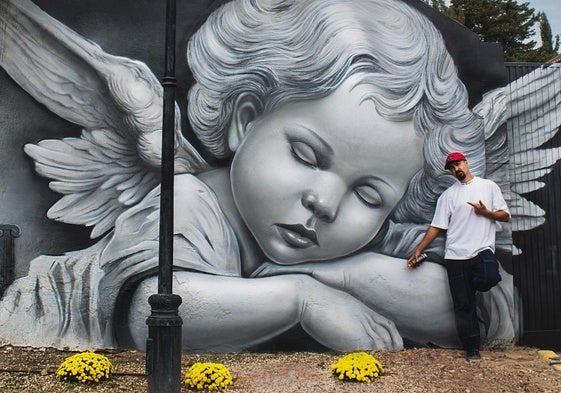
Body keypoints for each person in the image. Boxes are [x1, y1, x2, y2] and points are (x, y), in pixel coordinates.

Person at [0, 0, 517, 352]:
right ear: (246, 119)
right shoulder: (189, 200)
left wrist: (341, 273)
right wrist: (302, 298)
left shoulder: (364, 238)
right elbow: (154, 316)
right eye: (308, 155)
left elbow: (489, 313)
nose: (325, 203)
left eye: (369, 193)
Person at [407, 152, 510, 360]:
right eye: (452, 168)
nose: (456, 169)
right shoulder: (448, 196)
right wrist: (419, 249)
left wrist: (485, 213)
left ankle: (475, 286)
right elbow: (437, 226)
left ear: (466, 163)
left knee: (490, 276)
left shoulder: (488, 187)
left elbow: (505, 216)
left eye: (458, 164)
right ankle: (472, 348)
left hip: (481, 250)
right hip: (455, 256)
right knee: (464, 306)